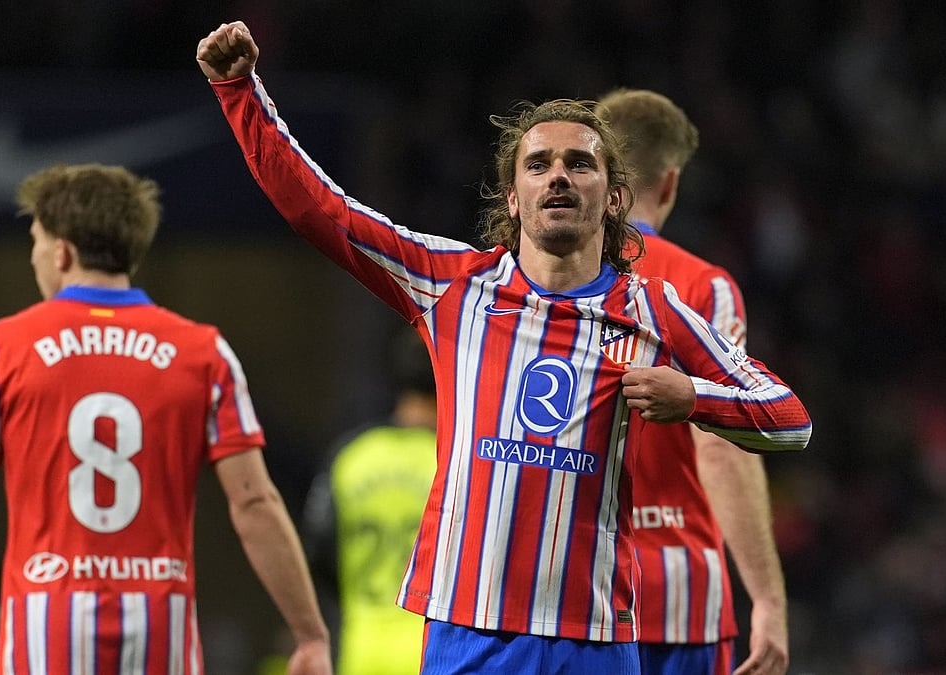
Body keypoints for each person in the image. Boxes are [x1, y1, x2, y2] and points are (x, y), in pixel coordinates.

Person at [196, 21, 811, 674]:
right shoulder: (452, 285)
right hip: (471, 630)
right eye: (539, 164)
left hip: (594, 637)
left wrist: (694, 397)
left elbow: (790, 419)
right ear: (512, 198)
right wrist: (240, 92)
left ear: (612, 197)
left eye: (581, 163)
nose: (559, 177)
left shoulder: (653, 309)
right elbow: (318, 210)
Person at [0, 163, 332, 675]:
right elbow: (255, 502)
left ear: (62, 252)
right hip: (160, 630)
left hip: (44, 628)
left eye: (35, 240)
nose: (33, 257)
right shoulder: (203, 353)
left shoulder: (5, 348)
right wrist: (310, 634)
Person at [596, 89, 789, 675]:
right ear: (671, 184)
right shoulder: (703, 288)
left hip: (561, 597)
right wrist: (770, 599)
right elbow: (723, 448)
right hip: (679, 600)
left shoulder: (531, 280)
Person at [304, 328, 439, 675]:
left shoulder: (350, 457)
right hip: (435, 653)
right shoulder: (455, 464)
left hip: (359, 652)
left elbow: (318, 555)